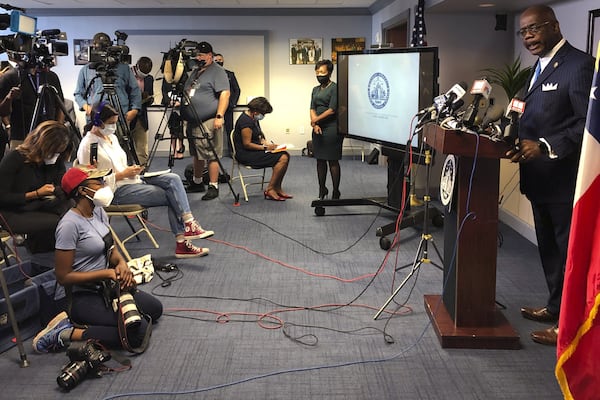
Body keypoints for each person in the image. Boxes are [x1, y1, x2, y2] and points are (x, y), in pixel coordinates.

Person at [507, 5, 594, 346]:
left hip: (563, 180)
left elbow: (586, 124)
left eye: (535, 28)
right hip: (539, 180)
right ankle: (555, 308)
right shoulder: (538, 67)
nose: (528, 36)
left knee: (568, 254)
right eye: (523, 31)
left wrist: (543, 145)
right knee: (549, 251)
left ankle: (570, 327)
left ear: (555, 26)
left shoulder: (579, 65)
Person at [31, 166, 163, 353]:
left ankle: (103, 322)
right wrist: (108, 272)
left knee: (154, 309)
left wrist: (121, 264)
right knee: (136, 333)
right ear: (83, 191)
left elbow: (109, 246)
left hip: (104, 287)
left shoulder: (99, 211)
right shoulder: (69, 225)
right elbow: (63, 277)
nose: (103, 185)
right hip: (80, 295)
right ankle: (65, 332)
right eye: (98, 182)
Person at [77, 102, 213, 258]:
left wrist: (131, 170)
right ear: (97, 122)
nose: (114, 127)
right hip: (115, 191)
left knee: (173, 179)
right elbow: (90, 182)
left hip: (130, 180)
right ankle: (182, 243)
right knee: (172, 195)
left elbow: (118, 164)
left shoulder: (111, 138)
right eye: (111, 123)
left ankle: (189, 222)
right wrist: (122, 175)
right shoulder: (88, 146)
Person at [0, 121, 72, 254]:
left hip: (39, 205)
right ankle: (43, 260)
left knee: (75, 210)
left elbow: (60, 184)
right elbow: (2, 197)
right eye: (54, 151)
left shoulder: (56, 160)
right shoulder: (15, 159)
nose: (56, 155)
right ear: (43, 146)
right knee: (60, 223)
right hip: (12, 212)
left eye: (59, 152)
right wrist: (35, 194)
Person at [73, 32, 142, 163]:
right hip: (95, 117)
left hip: (120, 117)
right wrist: (86, 107)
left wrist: (135, 110)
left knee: (122, 149)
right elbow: (78, 93)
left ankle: (126, 174)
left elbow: (135, 90)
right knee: (94, 150)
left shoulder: (123, 68)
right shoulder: (86, 69)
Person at [181, 41, 230, 200]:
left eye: (202, 55)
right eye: (197, 55)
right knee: (196, 154)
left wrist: (219, 116)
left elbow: (225, 94)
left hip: (209, 119)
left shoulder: (217, 71)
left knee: (211, 154)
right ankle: (197, 182)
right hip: (193, 121)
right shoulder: (195, 71)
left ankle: (213, 185)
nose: (198, 57)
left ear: (210, 55)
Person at [0, 52, 65, 149]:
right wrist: (9, 98)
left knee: (51, 164)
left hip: (48, 136)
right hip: (21, 137)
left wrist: (59, 128)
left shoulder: (51, 76)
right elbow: (2, 112)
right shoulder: (9, 77)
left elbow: (60, 105)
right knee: (19, 164)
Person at [232, 97, 292, 201]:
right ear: (255, 112)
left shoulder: (253, 118)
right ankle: (270, 189)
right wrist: (265, 147)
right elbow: (247, 144)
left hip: (255, 150)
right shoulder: (245, 122)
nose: (263, 116)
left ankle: (277, 188)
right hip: (246, 154)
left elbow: (259, 136)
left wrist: (266, 143)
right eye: (263, 114)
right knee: (283, 157)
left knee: (285, 154)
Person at [310, 59, 342, 200]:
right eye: (317, 72)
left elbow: (332, 110)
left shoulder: (335, 88)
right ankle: (322, 189)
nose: (319, 75)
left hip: (332, 128)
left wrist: (316, 120)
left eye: (322, 72)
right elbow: (312, 108)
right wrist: (315, 124)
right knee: (320, 160)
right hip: (318, 129)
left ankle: (336, 191)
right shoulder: (315, 90)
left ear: (329, 72)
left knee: (332, 161)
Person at [213, 53, 241, 158]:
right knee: (214, 129)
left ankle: (231, 151)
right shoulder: (210, 75)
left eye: (220, 60)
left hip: (228, 107)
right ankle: (215, 152)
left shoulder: (230, 74)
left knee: (229, 130)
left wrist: (232, 103)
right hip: (214, 107)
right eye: (216, 60)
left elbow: (237, 90)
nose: (219, 62)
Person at [129, 56, 155, 165]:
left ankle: (142, 172)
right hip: (127, 115)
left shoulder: (149, 79)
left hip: (141, 117)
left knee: (142, 147)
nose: (144, 74)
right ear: (137, 66)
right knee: (124, 147)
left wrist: (149, 99)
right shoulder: (127, 75)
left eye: (147, 72)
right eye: (143, 72)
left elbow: (150, 94)